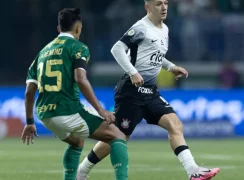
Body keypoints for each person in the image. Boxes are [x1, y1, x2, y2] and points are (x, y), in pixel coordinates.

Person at [77, 0, 220, 180]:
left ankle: (193, 171)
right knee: (119, 137)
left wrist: (171, 67)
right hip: (131, 92)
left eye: (166, 3)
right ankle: (81, 172)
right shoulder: (141, 28)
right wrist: (133, 72)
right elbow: (117, 49)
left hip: (150, 92)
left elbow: (156, 56)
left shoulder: (164, 29)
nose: (164, 7)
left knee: (174, 124)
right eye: (158, 3)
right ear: (148, 7)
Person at [21, 8, 128, 180]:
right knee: (118, 136)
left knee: (77, 141)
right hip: (67, 110)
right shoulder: (78, 47)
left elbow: (28, 93)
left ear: (58, 29)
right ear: (78, 28)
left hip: (44, 114)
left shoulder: (41, 54)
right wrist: (101, 110)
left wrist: (29, 122)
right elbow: (81, 79)